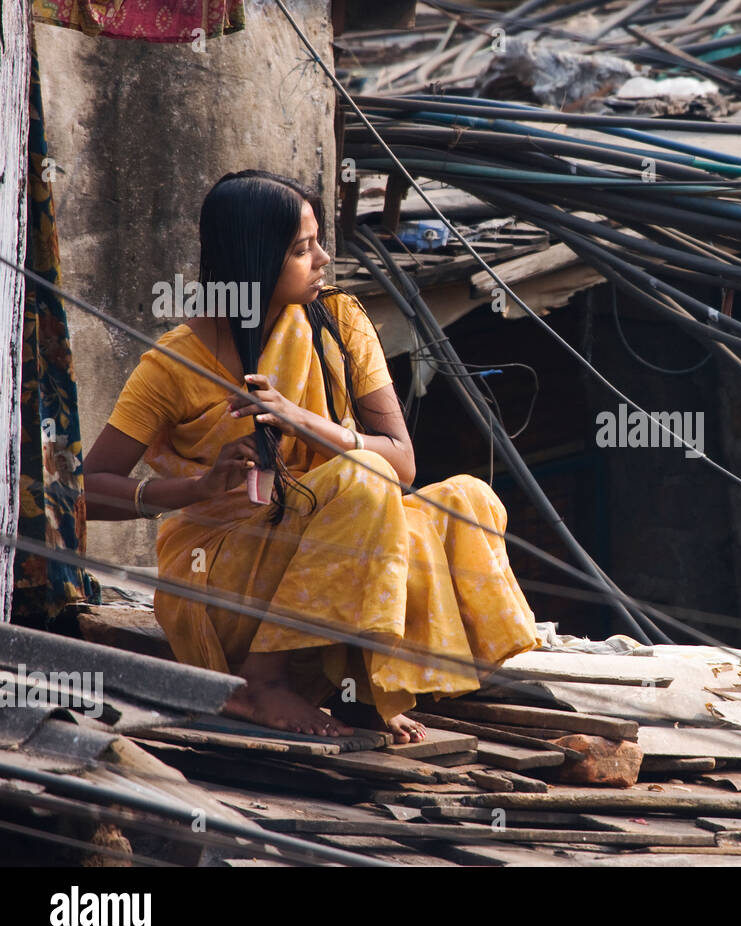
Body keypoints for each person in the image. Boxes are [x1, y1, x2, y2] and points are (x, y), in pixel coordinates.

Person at [83, 170, 541, 743]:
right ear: (252, 260)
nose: (323, 258)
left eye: (318, 241)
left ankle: (373, 684)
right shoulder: (173, 364)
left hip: (329, 549)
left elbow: (403, 462)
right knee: (363, 480)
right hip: (225, 581)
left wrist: (305, 423)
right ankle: (259, 683)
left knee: (463, 500)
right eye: (302, 249)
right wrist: (196, 490)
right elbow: (87, 494)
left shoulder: (342, 322)